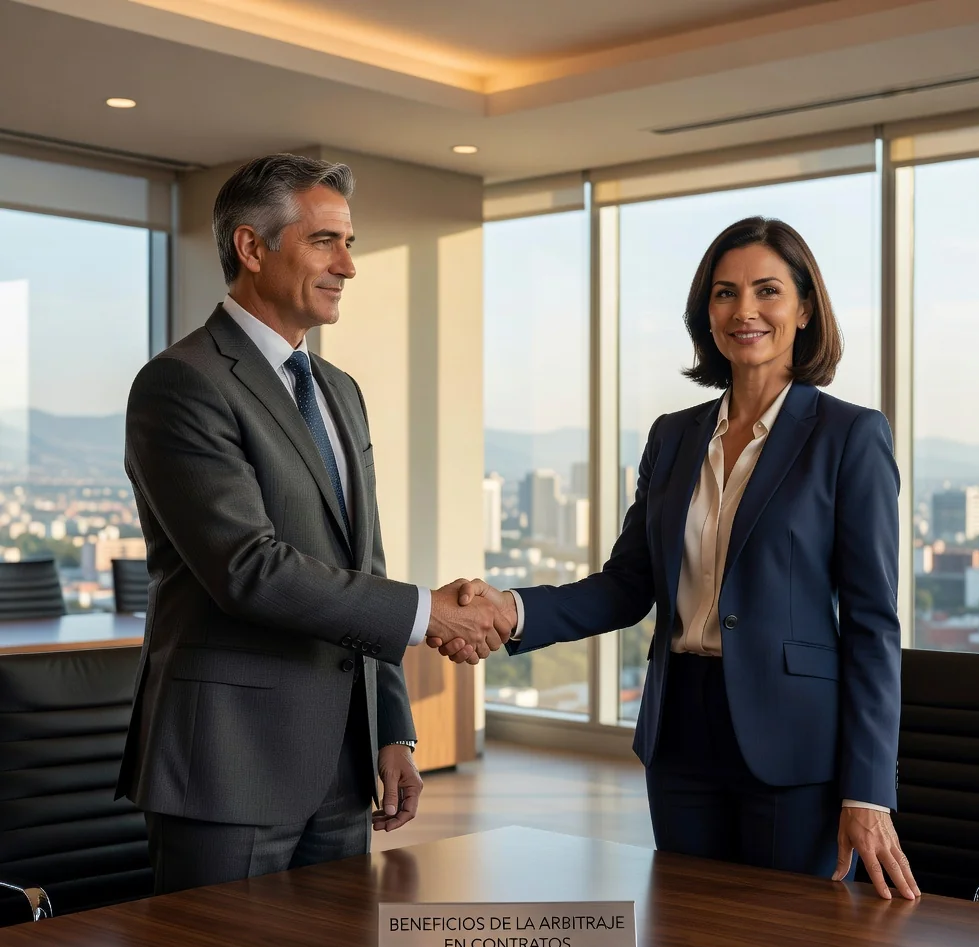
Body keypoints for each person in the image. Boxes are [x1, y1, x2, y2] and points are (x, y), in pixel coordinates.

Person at [432, 216, 919, 901]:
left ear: (806, 309)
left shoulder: (849, 436)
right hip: (680, 729)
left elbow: (872, 625)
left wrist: (868, 789)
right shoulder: (674, 436)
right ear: (706, 314)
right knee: (690, 940)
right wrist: (511, 611)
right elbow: (629, 585)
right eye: (724, 294)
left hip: (794, 744)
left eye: (767, 291)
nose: (744, 310)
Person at [116, 154, 509, 894]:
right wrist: (430, 615)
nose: (348, 267)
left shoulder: (337, 389)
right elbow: (247, 569)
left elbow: (367, 564)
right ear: (251, 247)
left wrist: (391, 728)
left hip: (342, 763)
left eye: (351, 243)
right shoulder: (181, 384)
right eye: (326, 241)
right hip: (228, 765)